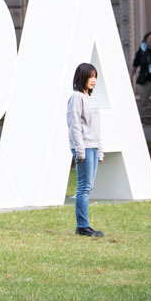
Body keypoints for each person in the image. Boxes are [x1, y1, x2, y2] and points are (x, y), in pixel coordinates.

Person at [67, 62, 104, 237]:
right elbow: (74, 125)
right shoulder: (76, 98)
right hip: (84, 148)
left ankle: (83, 225)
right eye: (90, 76)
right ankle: (82, 226)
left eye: (95, 76)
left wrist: (100, 150)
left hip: (93, 147)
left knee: (88, 188)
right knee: (83, 188)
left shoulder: (90, 98)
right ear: (82, 77)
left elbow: (96, 127)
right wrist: (79, 151)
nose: (93, 80)